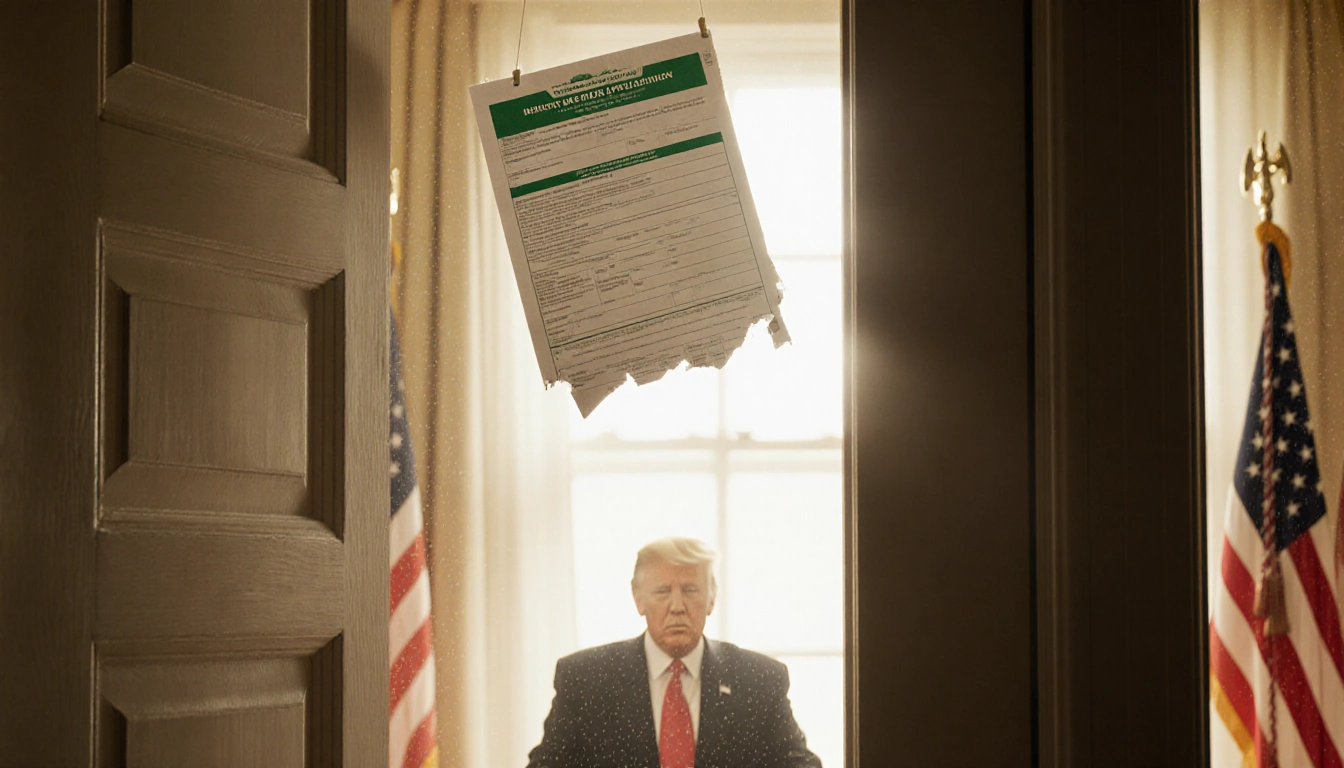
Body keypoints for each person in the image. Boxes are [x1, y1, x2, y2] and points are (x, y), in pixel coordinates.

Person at [526, 537, 823, 768]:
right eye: (662, 591)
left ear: (712, 598)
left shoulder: (758, 680)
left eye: (690, 590)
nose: (677, 606)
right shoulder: (586, 680)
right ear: (638, 599)